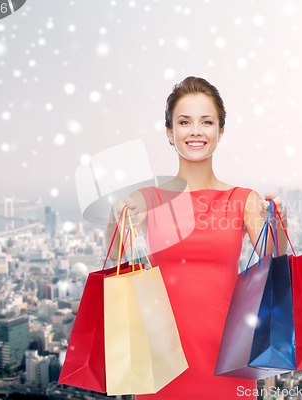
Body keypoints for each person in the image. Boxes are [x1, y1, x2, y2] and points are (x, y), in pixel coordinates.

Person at [105, 76, 288, 399]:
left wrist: (280, 225)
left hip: (228, 359)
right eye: (184, 122)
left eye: (206, 121)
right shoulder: (147, 199)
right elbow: (115, 260)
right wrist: (115, 218)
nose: (195, 131)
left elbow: (272, 267)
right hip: (162, 364)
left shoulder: (243, 199)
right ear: (169, 132)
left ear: (220, 131)